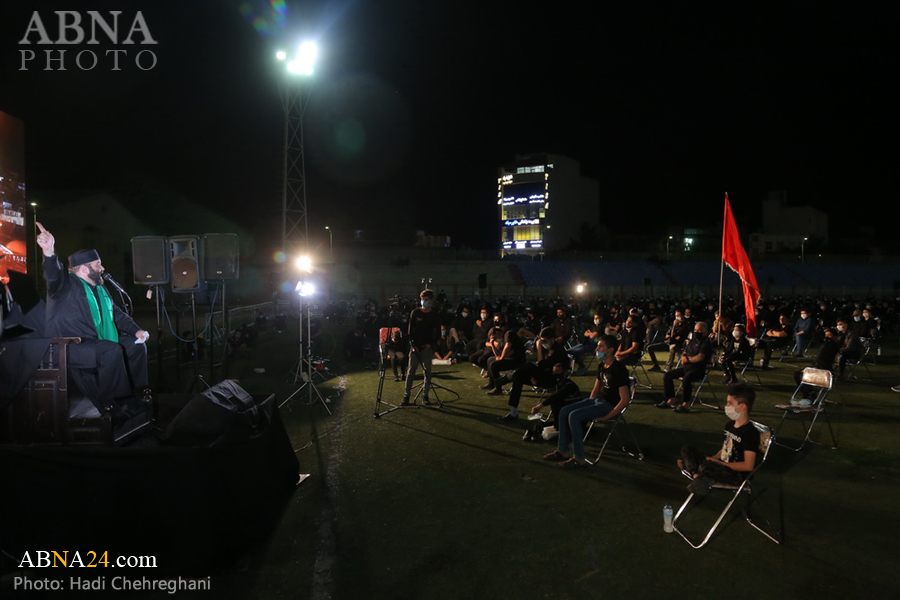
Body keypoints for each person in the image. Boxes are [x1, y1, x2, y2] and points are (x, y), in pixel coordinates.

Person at [36, 222, 148, 417]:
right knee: (111, 350)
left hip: (95, 341)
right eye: (98, 264)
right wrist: (49, 251)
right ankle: (114, 404)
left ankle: (135, 395)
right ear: (83, 269)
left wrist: (136, 331)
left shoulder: (100, 289)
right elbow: (52, 274)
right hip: (69, 347)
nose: (102, 268)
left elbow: (116, 314)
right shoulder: (65, 285)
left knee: (136, 346)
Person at [541, 335, 630, 468]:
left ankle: (579, 458)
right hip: (598, 401)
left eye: (601, 346)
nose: (597, 349)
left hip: (609, 405)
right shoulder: (602, 366)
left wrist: (608, 416)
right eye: (597, 346)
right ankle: (562, 451)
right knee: (564, 411)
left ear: (610, 350)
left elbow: (625, 400)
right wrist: (589, 402)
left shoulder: (618, 369)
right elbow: (596, 388)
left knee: (574, 416)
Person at [677, 382, 760, 495]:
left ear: (742, 407)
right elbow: (725, 450)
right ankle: (698, 477)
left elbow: (748, 465)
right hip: (720, 466)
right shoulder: (729, 425)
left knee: (705, 467)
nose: (727, 406)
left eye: (730, 403)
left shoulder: (750, 432)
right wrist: (712, 458)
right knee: (687, 449)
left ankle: (697, 473)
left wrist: (721, 464)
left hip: (736, 474)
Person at [494, 327, 572, 422]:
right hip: (543, 376)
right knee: (518, 377)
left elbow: (542, 365)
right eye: (542, 341)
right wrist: (533, 376)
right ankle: (513, 412)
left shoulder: (558, 351)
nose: (543, 343)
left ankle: (505, 379)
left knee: (528, 366)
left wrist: (539, 348)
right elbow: (542, 367)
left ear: (552, 339)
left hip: (552, 380)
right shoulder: (549, 348)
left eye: (545, 341)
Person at [657, 321, 713, 413]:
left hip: (698, 369)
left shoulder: (705, 343)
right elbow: (684, 352)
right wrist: (683, 357)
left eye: (699, 331)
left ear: (705, 332)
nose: (696, 332)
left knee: (687, 378)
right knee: (668, 375)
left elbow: (700, 357)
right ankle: (671, 398)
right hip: (686, 368)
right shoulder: (692, 341)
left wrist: (688, 360)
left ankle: (685, 403)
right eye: (695, 330)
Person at [402, 289, 441, 405]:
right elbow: (409, 332)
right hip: (415, 347)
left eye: (426, 299)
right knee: (411, 371)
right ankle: (406, 396)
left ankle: (425, 396)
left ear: (431, 300)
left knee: (427, 372)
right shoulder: (415, 312)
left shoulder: (435, 314)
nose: (424, 301)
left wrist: (431, 344)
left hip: (427, 347)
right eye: (422, 299)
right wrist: (413, 345)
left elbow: (438, 332)